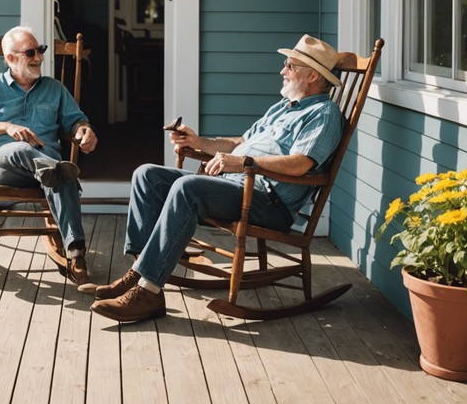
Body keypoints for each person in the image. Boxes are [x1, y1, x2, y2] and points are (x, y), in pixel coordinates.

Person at [90, 34, 344, 323]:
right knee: (147, 175)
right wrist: (199, 142)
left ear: (311, 75)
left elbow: (300, 164)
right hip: (238, 184)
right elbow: (240, 143)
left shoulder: (324, 114)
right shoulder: (282, 108)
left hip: (267, 200)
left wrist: (244, 163)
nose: (282, 71)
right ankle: (140, 275)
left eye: (289, 65)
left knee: (188, 188)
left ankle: (147, 290)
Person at [0, 25, 98, 291]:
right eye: (31, 52)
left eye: (41, 50)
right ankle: (54, 170)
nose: (40, 57)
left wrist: (84, 131)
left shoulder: (54, 89)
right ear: (10, 58)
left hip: (45, 170)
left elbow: (76, 122)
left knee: (59, 173)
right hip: (2, 166)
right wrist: (6, 127)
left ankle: (76, 255)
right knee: (25, 150)